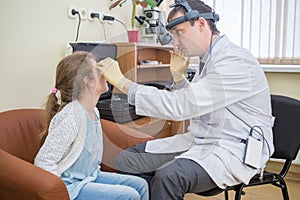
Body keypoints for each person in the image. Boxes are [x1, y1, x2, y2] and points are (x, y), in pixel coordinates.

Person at [97, 0, 275, 199]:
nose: (175, 43)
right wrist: (179, 78)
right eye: (173, 35)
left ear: (200, 24)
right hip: (201, 141)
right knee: (126, 160)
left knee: (169, 177)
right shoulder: (209, 59)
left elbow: (182, 106)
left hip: (232, 148)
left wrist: (123, 83)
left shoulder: (234, 61)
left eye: (179, 32)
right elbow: (198, 102)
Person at [34, 51, 149, 200]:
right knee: (130, 195)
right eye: (98, 68)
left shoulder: (94, 111)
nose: (104, 73)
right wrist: (58, 194)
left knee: (141, 185)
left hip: (91, 176)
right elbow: (43, 161)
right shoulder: (72, 116)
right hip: (72, 186)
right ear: (87, 81)